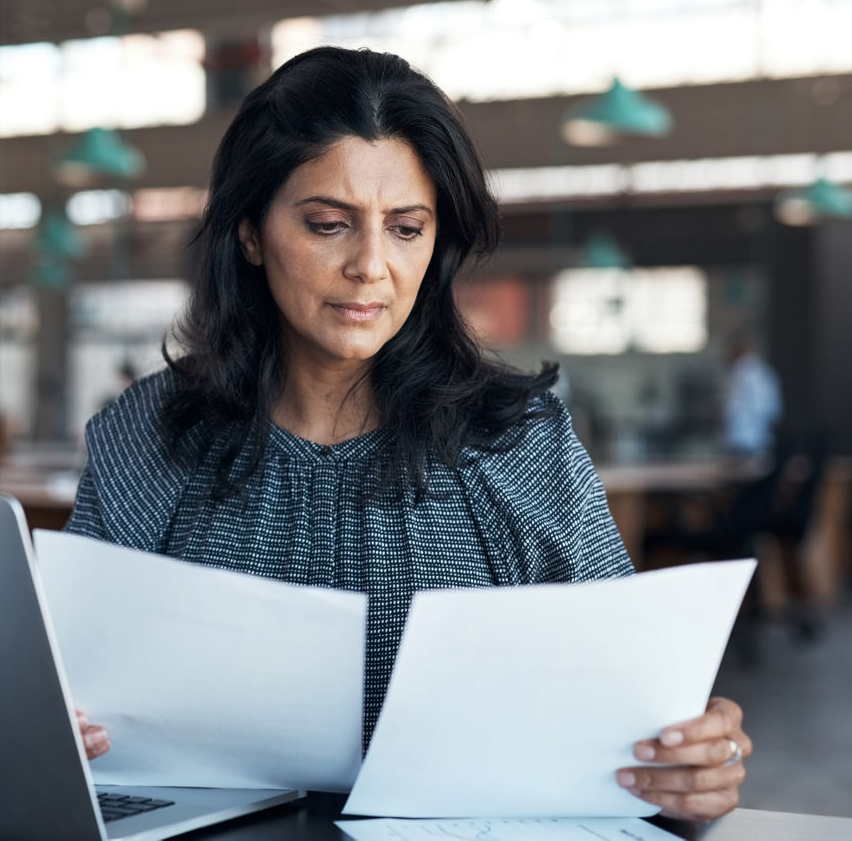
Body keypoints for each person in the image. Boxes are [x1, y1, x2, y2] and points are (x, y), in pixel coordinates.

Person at [66, 47, 751, 822]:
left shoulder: (519, 443)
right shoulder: (146, 437)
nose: (371, 266)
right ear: (251, 232)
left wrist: (692, 759)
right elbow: (69, 694)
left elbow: (638, 710)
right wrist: (57, 722)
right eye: (328, 225)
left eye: (405, 228)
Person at [721, 331, 782, 459]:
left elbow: (764, 406)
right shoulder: (749, 370)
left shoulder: (751, 371)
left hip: (750, 436)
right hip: (744, 435)